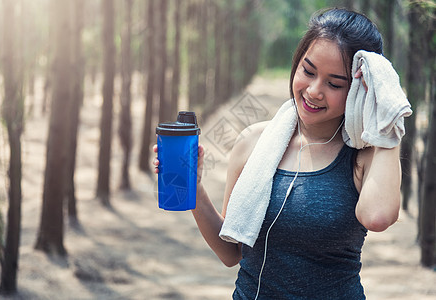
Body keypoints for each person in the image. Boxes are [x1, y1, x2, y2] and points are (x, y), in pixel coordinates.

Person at [154, 8, 402, 299]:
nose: (313, 91)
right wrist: (194, 188)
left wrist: (387, 113)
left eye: (334, 84)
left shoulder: (364, 155)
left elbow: (377, 217)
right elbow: (231, 252)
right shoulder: (253, 142)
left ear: (360, 90)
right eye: (308, 71)